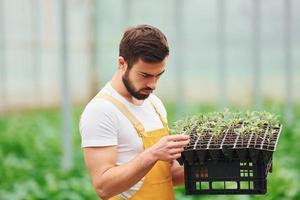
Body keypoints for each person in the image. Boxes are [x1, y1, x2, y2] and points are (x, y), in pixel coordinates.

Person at [79, 24, 190, 200]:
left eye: (159, 74)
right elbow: (104, 187)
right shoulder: (101, 111)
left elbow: (168, 175)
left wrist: (219, 168)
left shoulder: (154, 103)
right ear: (122, 64)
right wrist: (153, 153)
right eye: (145, 75)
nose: (153, 84)